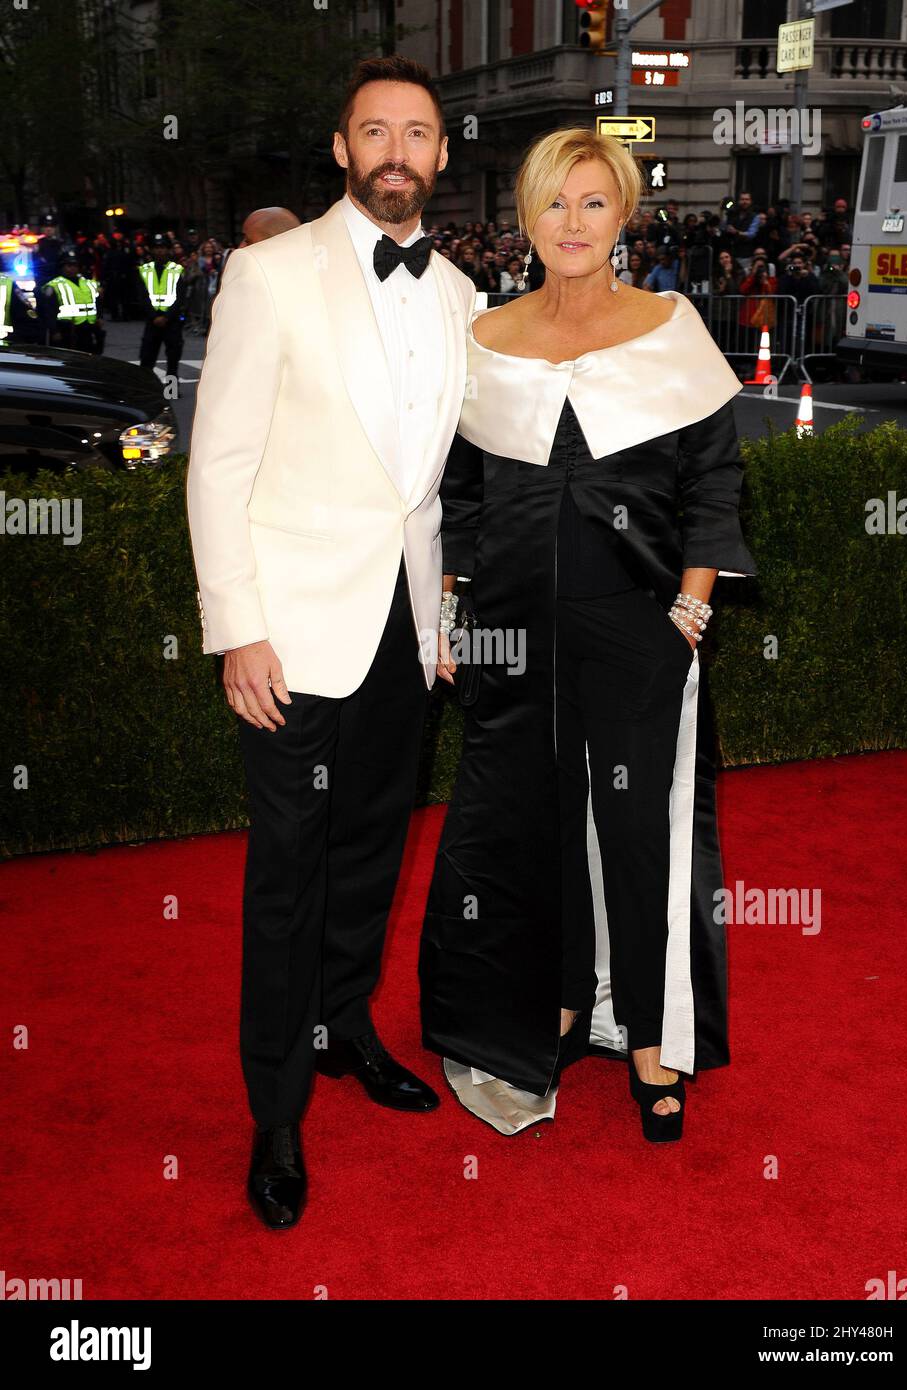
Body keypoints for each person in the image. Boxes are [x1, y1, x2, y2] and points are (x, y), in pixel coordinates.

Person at [186, 54, 476, 1230]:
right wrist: (237, 627)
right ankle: (275, 1109)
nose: (396, 150)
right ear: (343, 150)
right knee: (287, 881)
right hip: (291, 641)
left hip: (403, 636)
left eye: (417, 132)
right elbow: (219, 466)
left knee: (369, 858)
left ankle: (346, 1025)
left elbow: (444, 488)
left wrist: (445, 617)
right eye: (375, 131)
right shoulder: (268, 274)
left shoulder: (460, 294)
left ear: (441, 155)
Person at [420, 128, 756, 1141]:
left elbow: (713, 483)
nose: (573, 223)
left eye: (593, 203)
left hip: (633, 629)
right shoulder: (481, 338)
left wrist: (688, 613)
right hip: (507, 635)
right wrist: (448, 618)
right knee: (529, 828)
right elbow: (460, 499)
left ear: (624, 215)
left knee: (639, 835)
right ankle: (559, 1004)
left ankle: (652, 1037)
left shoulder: (670, 328)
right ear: (524, 218)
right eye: (553, 204)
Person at [137, 235, 185, 376]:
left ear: (168, 250)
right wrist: (154, 317)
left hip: (172, 320)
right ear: (152, 250)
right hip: (152, 321)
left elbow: (180, 297)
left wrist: (166, 317)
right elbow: (143, 296)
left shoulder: (177, 269)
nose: (160, 251)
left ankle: (172, 391)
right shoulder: (144, 270)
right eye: (157, 248)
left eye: (163, 248)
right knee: (147, 358)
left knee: (173, 358)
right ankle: (147, 390)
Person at [40, 252, 105, 353]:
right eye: (69, 266)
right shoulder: (54, 285)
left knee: (91, 356)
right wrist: (54, 331)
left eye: (75, 266)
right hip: (67, 328)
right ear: (62, 267)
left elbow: (96, 302)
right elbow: (49, 311)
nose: (72, 268)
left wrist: (100, 317)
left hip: (89, 326)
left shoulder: (87, 283)